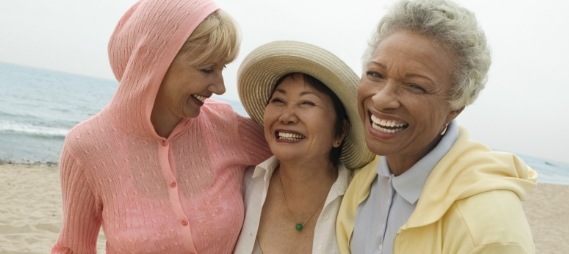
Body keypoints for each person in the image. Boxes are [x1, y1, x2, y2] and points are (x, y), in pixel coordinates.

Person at [51, 0, 271, 253]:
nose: (220, 87)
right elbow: (72, 248)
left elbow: (302, 157)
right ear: (154, 62)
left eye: (222, 69)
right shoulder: (86, 147)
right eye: (207, 69)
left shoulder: (226, 126)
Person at [336, 0, 538, 253]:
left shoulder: (489, 227)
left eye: (415, 86)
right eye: (376, 74)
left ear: (455, 106)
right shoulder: (364, 179)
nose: (381, 98)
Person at [234, 41, 375, 253]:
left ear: (340, 132)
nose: (287, 116)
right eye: (279, 100)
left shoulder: (365, 202)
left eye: (306, 103)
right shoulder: (240, 188)